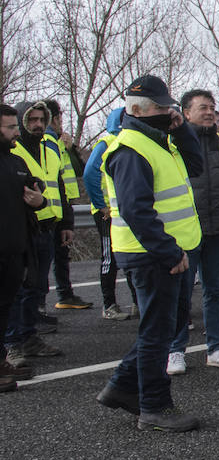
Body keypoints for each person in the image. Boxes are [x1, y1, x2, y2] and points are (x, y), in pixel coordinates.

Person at [95, 74, 205, 431]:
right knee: (158, 332)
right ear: (139, 110)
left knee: (166, 325)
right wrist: (169, 253)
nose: (169, 110)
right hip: (152, 254)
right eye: (161, 106)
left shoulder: (157, 139)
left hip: (169, 249)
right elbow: (136, 210)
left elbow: (196, 167)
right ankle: (154, 407)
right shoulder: (130, 148)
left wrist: (180, 130)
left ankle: (120, 387)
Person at [166, 90, 219, 373]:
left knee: (215, 290)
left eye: (212, 108)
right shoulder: (171, 143)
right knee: (180, 294)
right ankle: (175, 350)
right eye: (203, 107)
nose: (209, 112)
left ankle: (216, 348)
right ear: (186, 112)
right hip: (185, 230)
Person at [4, 100, 72, 366]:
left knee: (36, 287)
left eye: (42, 120)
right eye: (31, 120)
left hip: (48, 226)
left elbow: (60, 187)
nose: (38, 125)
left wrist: (67, 223)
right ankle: (12, 343)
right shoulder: (12, 149)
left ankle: (29, 336)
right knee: (16, 290)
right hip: (23, 229)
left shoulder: (51, 147)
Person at [1, 104, 48, 391]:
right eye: (8, 127)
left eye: (14, 126)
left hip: (15, 249)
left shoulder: (16, 161)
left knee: (5, 307)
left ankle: (2, 361)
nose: (14, 131)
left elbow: (35, 195)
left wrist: (39, 201)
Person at [83, 108, 136, 320]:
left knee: (132, 256)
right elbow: (89, 174)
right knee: (110, 259)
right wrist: (101, 204)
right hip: (108, 212)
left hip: (123, 210)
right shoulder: (106, 143)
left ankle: (136, 303)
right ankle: (109, 305)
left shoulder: (128, 142)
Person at [43, 99, 92, 311]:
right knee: (47, 257)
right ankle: (42, 305)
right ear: (55, 118)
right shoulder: (47, 141)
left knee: (61, 254)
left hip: (63, 204)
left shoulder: (58, 141)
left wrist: (71, 149)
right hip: (52, 207)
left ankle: (65, 294)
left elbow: (78, 170)